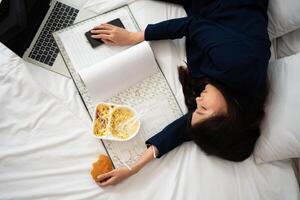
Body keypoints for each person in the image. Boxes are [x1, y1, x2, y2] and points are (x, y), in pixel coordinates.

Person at [90, 0, 271, 187]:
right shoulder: (239, 64)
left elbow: (183, 130)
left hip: (209, 13)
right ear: (226, 117)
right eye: (203, 108)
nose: (199, 100)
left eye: (198, 109)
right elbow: (193, 25)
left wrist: (133, 168)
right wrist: (134, 37)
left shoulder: (237, 114)